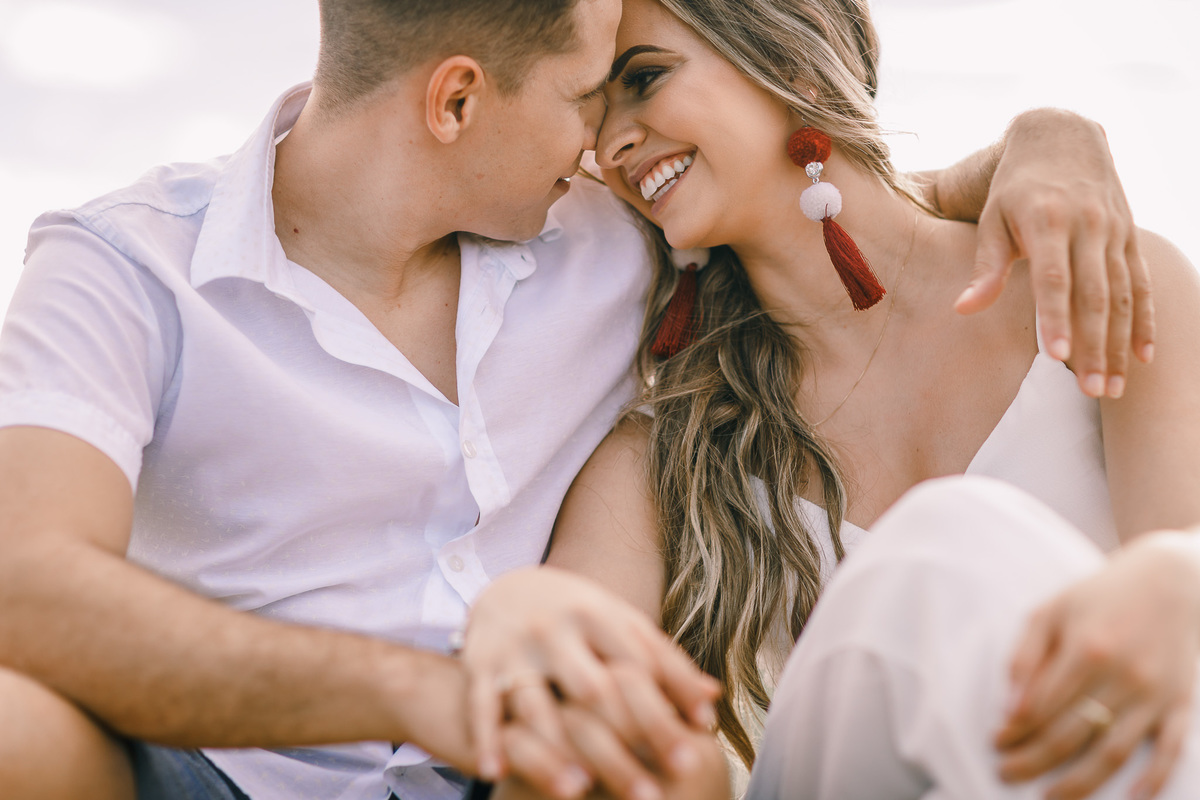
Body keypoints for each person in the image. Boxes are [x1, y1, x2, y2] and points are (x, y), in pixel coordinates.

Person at [0, 0, 1159, 799]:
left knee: (681, 751)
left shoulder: (594, 229)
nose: (602, 147)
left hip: (526, 764)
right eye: (586, 95)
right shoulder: (129, 264)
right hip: (232, 765)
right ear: (457, 104)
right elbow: (23, 579)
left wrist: (1042, 144)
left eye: (629, 86)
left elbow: (825, 197)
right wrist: (439, 685)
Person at [472, 0, 1200, 798]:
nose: (611, 145)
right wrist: (518, 609)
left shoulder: (1092, 286)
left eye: (644, 79)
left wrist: (1178, 567)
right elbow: (578, 646)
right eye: (594, 114)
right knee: (945, 537)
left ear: (787, 59)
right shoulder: (662, 454)